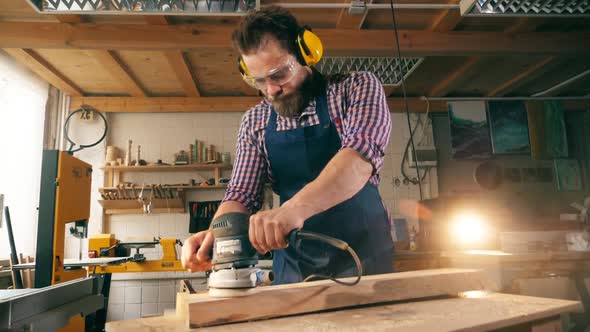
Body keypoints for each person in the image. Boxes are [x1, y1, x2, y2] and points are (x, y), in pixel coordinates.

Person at [182, 5, 393, 285]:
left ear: (307, 54)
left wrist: (292, 211)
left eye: (279, 75)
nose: (270, 90)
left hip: (364, 259)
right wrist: (216, 235)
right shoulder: (255, 121)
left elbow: (357, 161)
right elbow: (241, 194)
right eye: (258, 81)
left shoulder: (355, 90)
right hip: (294, 268)